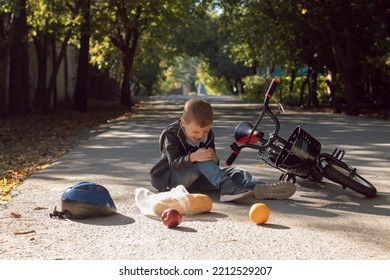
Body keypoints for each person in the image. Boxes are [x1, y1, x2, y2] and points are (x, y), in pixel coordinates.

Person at [150, 98, 296, 202]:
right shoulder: (171, 134)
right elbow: (174, 164)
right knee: (201, 158)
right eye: (196, 133)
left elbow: (213, 166)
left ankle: (260, 188)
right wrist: (193, 157)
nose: (200, 136)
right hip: (175, 181)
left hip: (197, 181)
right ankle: (228, 190)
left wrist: (215, 159)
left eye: (205, 131)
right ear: (183, 122)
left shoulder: (208, 135)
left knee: (237, 172)